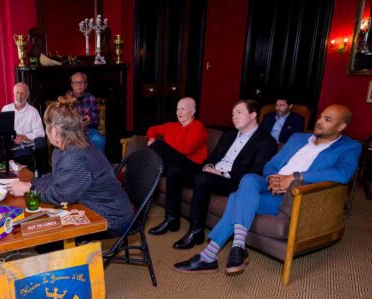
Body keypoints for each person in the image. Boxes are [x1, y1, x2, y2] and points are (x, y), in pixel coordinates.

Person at [174, 104, 361, 275]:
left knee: (236, 197)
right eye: (320, 117)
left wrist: (295, 177)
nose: (319, 122)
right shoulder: (298, 138)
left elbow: (343, 173)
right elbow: (272, 165)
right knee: (248, 179)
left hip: (292, 193)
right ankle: (238, 246)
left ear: (341, 126)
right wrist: (272, 177)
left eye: (327, 120)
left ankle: (209, 256)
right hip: (269, 184)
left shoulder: (350, 146)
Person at [7, 96, 134, 238]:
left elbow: (61, 194)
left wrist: (29, 190)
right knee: (45, 224)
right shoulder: (71, 146)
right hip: (98, 205)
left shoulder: (73, 156)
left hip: (111, 217)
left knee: (46, 236)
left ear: (54, 131)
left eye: (46, 127)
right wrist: (32, 183)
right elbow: (58, 177)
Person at [172, 99, 277, 249]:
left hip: (233, 180)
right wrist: (208, 166)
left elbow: (256, 172)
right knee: (176, 171)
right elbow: (213, 157)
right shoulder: (229, 135)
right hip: (212, 174)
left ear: (253, 115)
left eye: (239, 112)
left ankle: (196, 231)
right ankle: (171, 219)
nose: (234, 116)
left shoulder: (266, 141)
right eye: (233, 113)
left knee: (202, 179)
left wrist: (221, 172)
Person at [146, 97, 209, 235]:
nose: (179, 112)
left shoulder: (198, 127)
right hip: (176, 166)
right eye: (177, 108)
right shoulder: (171, 126)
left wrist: (161, 145)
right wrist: (151, 138)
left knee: (158, 145)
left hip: (192, 166)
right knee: (173, 172)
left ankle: (151, 172)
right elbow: (152, 129)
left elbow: (186, 149)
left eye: (183, 109)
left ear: (193, 111)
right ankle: (172, 220)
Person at [1, 82, 47, 173]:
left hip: (24, 148)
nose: (19, 95)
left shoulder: (33, 112)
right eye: (17, 92)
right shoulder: (5, 109)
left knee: (22, 164)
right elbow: (0, 129)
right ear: (13, 93)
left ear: (27, 95)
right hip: (7, 146)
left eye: (22, 93)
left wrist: (23, 137)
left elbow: (41, 133)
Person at [68, 72, 106, 151]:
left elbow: (96, 121)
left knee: (99, 140)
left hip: (87, 130)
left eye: (81, 82)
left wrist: (90, 121)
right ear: (72, 85)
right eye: (76, 83)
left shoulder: (92, 99)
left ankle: (96, 163)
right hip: (71, 131)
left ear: (86, 85)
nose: (79, 85)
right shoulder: (67, 99)